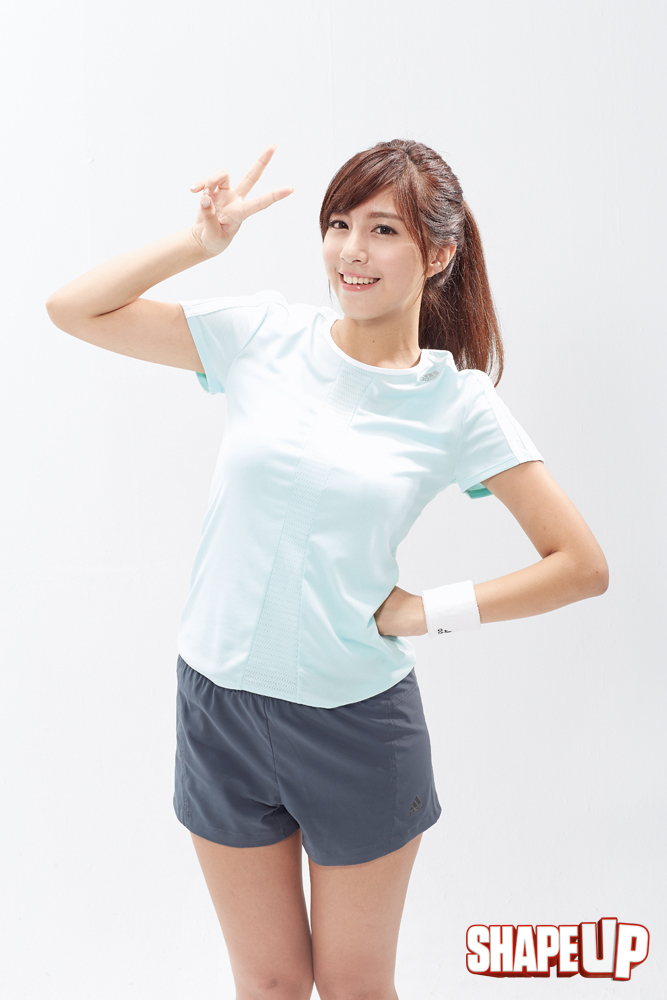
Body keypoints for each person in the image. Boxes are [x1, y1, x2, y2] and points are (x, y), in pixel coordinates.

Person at [46, 139, 609, 1000]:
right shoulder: (262, 335)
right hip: (218, 706)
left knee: (353, 989)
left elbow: (579, 565)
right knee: (268, 986)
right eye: (338, 224)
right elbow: (72, 309)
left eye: (382, 230)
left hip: (355, 726)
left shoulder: (456, 404)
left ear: (438, 255)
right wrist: (197, 244)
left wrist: (424, 611)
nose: (351, 250)